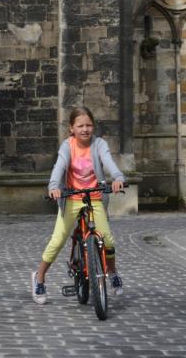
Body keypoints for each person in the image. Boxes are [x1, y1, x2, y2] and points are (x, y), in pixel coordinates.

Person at [31, 107, 125, 305]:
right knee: (57, 241)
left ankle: (112, 272)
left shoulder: (99, 144)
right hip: (71, 198)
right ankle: (39, 278)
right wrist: (54, 186)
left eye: (89, 125)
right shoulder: (67, 146)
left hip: (94, 197)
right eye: (80, 125)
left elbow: (109, 162)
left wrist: (117, 177)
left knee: (107, 240)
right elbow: (59, 167)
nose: (85, 129)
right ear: (71, 128)